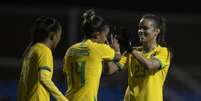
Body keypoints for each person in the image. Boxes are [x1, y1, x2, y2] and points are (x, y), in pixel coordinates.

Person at [108, 13, 172, 101]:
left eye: (145, 28)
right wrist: (110, 52)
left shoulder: (163, 51)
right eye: (139, 28)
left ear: (156, 32)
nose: (140, 31)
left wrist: (131, 50)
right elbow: (109, 70)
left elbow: (150, 65)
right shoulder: (132, 51)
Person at [62, 9, 120, 101]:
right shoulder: (100, 48)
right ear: (97, 34)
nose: (106, 39)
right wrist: (116, 49)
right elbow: (117, 57)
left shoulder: (71, 50)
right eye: (105, 35)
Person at [17, 16, 68, 101]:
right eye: (59, 36)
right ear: (53, 36)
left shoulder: (31, 50)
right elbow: (44, 78)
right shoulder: (44, 51)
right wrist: (63, 99)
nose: (59, 39)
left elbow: (22, 81)